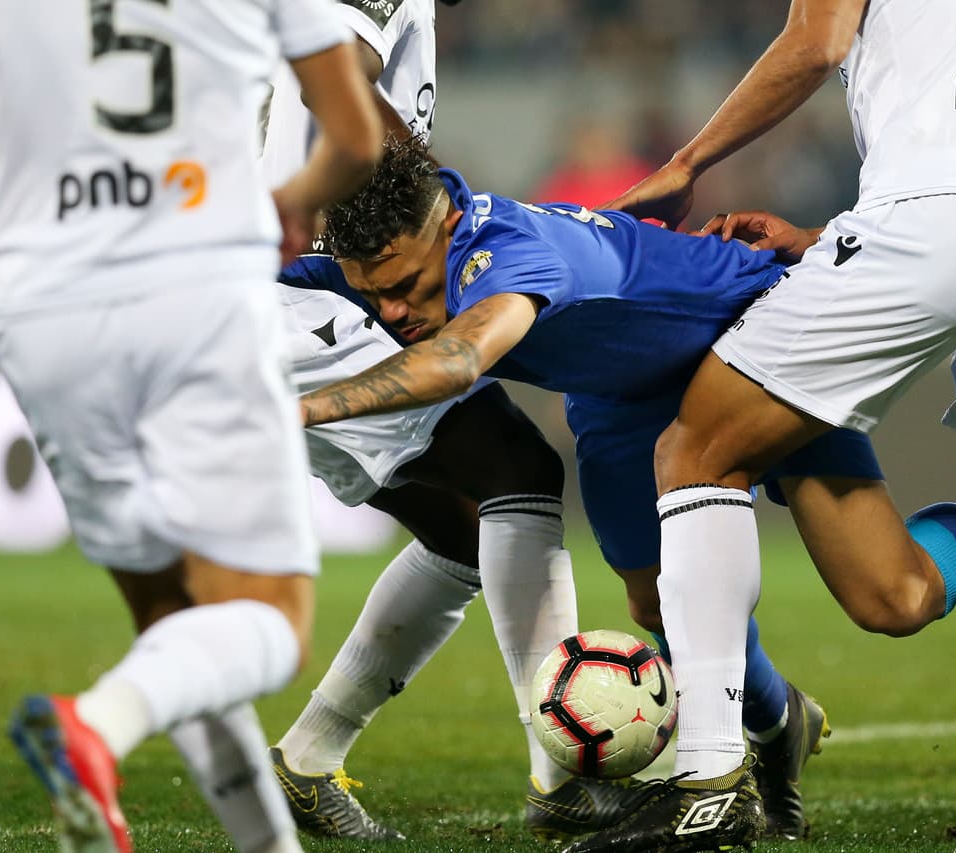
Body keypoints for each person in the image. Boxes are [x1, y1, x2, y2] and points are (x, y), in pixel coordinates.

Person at [286, 136, 956, 851]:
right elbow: (281, 268)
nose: (393, 310)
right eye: (374, 292)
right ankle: (777, 722)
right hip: (621, 403)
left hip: (754, 336)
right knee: (662, 603)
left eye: (406, 286)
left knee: (893, 599)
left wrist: (301, 408)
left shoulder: (502, 254)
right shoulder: (407, 249)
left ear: (445, 230)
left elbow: (460, 358)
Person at [262, 1, 823, 840]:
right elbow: (337, 71)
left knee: (471, 528)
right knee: (513, 474)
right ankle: (564, 778)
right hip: (289, 285)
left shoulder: (489, 239)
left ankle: (308, 760)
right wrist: (411, 198)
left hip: (295, 284)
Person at [594, 0, 956, 850]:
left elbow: (817, 44)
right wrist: (831, 237)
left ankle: (709, 779)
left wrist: (687, 162)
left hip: (940, 218)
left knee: (697, 450)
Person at [0, 0, 383, 851]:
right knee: (270, 622)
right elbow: (355, 138)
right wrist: (290, 203)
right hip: (198, 292)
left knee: (174, 622)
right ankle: (99, 724)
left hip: (45, 309)